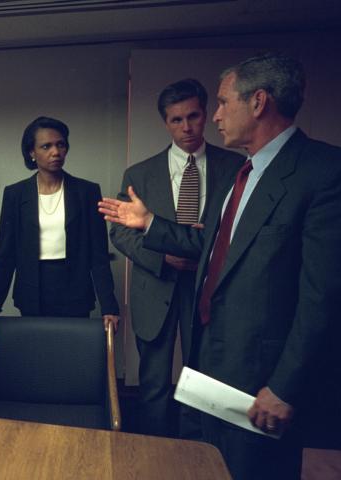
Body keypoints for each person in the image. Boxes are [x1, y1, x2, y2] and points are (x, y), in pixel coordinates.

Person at [99, 53, 341, 479]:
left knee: (258, 469)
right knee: (213, 463)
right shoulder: (246, 174)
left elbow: (328, 300)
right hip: (215, 359)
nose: (215, 116)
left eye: (221, 103)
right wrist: (148, 223)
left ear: (258, 103)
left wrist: (284, 388)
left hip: (263, 376)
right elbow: (213, 243)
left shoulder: (328, 173)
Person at [111, 78, 244, 438]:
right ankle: (156, 458)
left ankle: (197, 457)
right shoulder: (139, 173)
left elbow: (243, 233)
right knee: (153, 385)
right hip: (155, 289)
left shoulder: (236, 167)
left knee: (201, 386)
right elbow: (120, 232)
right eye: (176, 120)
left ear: (206, 115)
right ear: (165, 122)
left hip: (209, 291)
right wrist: (163, 259)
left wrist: (205, 255)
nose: (186, 127)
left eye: (194, 116)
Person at [0, 116, 119, 331]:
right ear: (32, 153)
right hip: (32, 289)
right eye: (46, 146)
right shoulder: (15, 194)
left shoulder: (87, 192)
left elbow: (98, 256)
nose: (55, 152)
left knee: (74, 356)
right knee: (37, 356)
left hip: (75, 288)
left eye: (60, 144)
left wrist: (109, 307)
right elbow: (6, 255)